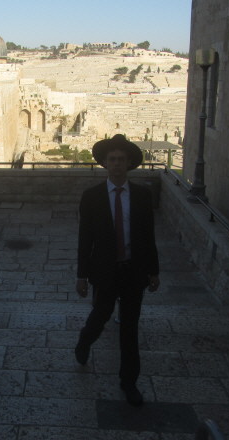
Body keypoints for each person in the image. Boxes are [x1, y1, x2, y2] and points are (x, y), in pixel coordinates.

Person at [74, 134, 160, 406]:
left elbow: (148, 236)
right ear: (104, 163)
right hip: (105, 271)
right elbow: (85, 238)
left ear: (129, 163)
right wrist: (81, 275)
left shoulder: (142, 196)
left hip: (133, 271)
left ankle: (129, 382)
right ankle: (85, 340)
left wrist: (154, 271)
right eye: (112, 159)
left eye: (121, 159)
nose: (117, 164)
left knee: (130, 328)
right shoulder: (92, 197)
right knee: (101, 315)